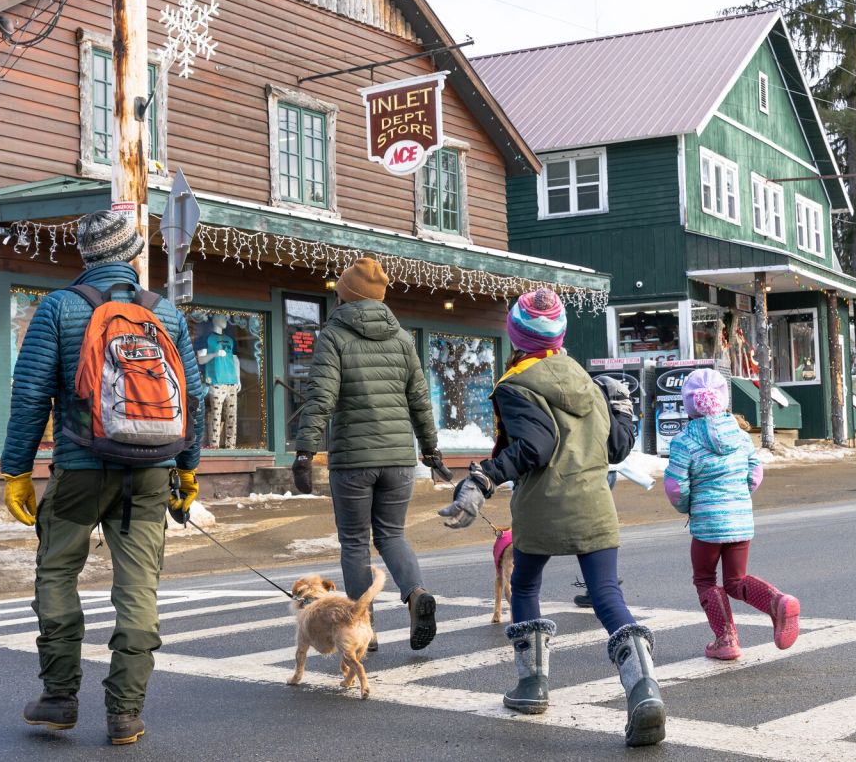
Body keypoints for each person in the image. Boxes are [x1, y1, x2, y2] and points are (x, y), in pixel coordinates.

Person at [0, 210, 205, 745]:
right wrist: (187, 469)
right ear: (133, 256)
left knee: (57, 574)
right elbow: (195, 399)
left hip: (81, 468)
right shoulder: (166, 314)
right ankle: (125, 714)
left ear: (86, 257)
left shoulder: (60, 309)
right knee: (138, 587)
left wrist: (17, 470)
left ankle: (59, 697)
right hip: (153, 470)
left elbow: (29, 397)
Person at [438, 288, 666, 747]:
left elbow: (533, 448)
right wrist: (621, 409)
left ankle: (532, 685)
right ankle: (644, 689)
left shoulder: (515, 385)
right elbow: (617, 448)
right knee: (605, 594)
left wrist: (481, 480)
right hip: (596, 505)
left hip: (542, 508)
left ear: (516, 335)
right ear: (559, 335)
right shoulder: (585, 378)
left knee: (524, 585)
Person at [292, 257, 445, 652]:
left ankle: (363, 625)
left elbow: (321, 397)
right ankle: (415, 594)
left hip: (354, 461)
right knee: (392, 534)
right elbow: (420, 401)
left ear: (347, 295)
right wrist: (431, 450)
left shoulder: (334, 336)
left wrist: (305, 451)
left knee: (356, 542)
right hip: (398, 457)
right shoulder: (402, 338)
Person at [663, 368, 799, 661]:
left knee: (705, 579)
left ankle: (726, 639)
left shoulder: (684, 441)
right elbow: (755, 473)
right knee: (735, 581)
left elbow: (675, 486)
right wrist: (738, 497)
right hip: (739, 520)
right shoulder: (740, 435)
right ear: (723, 400)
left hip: (707, 523)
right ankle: (778, 601)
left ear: (689, 404)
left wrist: (686, 505)